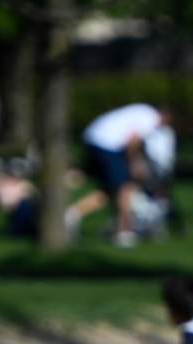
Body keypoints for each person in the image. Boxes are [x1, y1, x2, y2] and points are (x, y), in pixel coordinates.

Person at [67, 103, 174, 248]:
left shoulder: (142, 111)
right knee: (126, 187)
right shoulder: (151, 118)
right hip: (107, 144)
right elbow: (133, 140)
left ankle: (70, 214)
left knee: (105, 188)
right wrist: (134, 164)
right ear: (166, 117)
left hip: (94, 137)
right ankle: (124, 231)